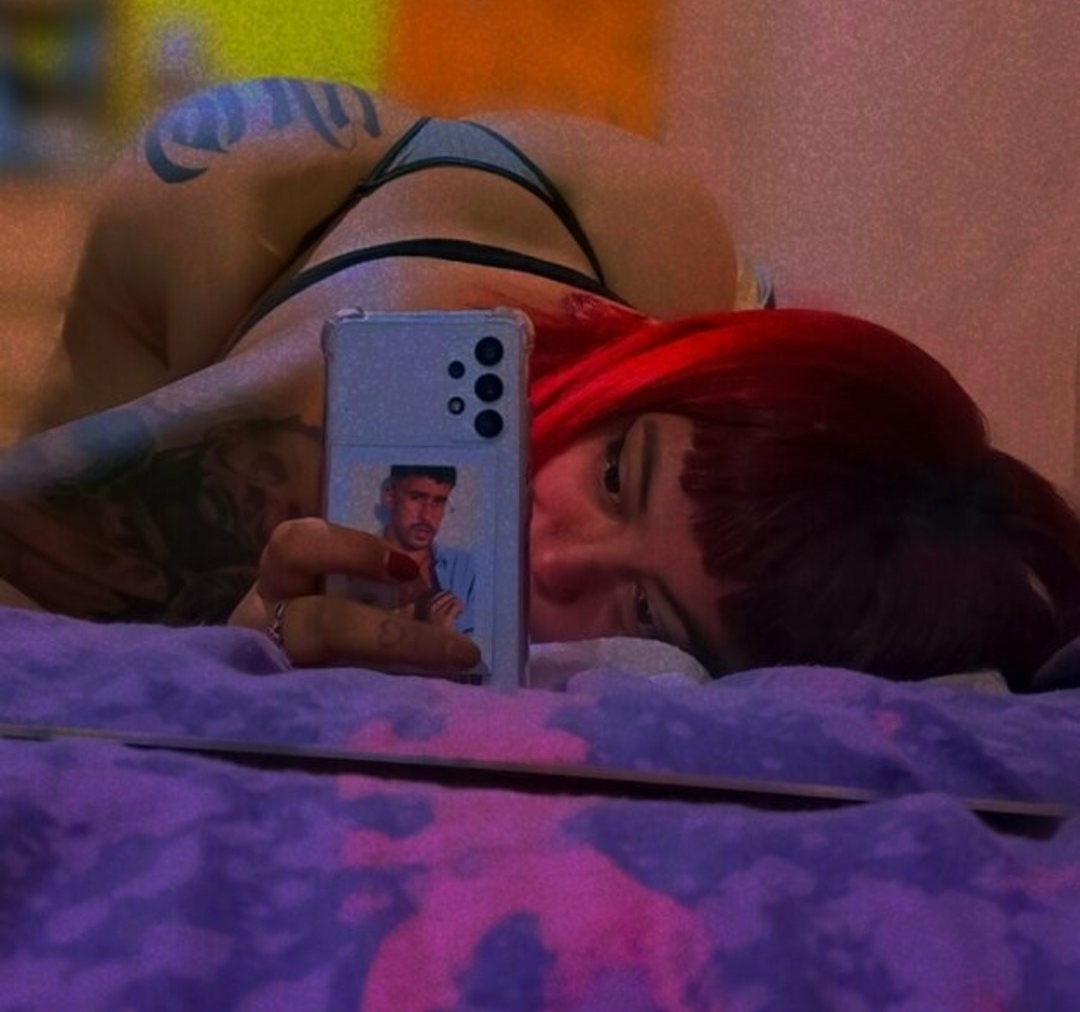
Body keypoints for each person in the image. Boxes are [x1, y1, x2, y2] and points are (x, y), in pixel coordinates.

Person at [1, 80, 1079, 688]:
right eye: (613, 478)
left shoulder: (667, 279)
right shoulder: (284, 391)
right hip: (228, 202)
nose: (556, 556)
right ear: (638, 361)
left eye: (643, 608)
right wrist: (243, 652)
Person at [379, 464, 477, 633]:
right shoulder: (355, 565)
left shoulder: (469, 571)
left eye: (439, 501)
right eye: (416, 497)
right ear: (390, 497)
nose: (427, 516)